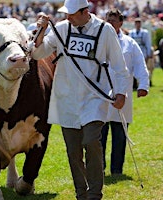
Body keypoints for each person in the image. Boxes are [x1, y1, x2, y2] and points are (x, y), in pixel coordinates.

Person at [33, 0, 131, 199]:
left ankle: (95, 193)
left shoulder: (105, 30)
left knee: (91, 141)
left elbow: (120, 67)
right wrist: (42, 30)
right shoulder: (61, 28)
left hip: (94, 97)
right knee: (73, 151)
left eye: (72, 14)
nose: (68, 17)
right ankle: (81, 193)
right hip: (67, 98)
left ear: (85, 11)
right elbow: (37, 53)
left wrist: (121, 93)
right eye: (66, 13)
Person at [102, 9, 149, 176]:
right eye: (107, 20)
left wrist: (143, 85)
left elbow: (139, 65)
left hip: (123, 94)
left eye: (113, 21)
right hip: (100, 95)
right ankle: (98, 169)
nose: (110, 24)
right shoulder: (99, 42)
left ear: (121, 23)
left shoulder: (130, 43)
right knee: (98, 136)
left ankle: (116, 170)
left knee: (120, 135)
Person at [129, 18, 153, 87]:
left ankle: (147, 82)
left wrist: (148, 54)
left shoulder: (144, 32)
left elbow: (148, 43)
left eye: (139, 23)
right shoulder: (131, 33)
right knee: (133, 67)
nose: (137, 25)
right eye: (136, 23)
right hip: (134, 52)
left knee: (144, 68)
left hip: (143, 51)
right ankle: (134, 83)